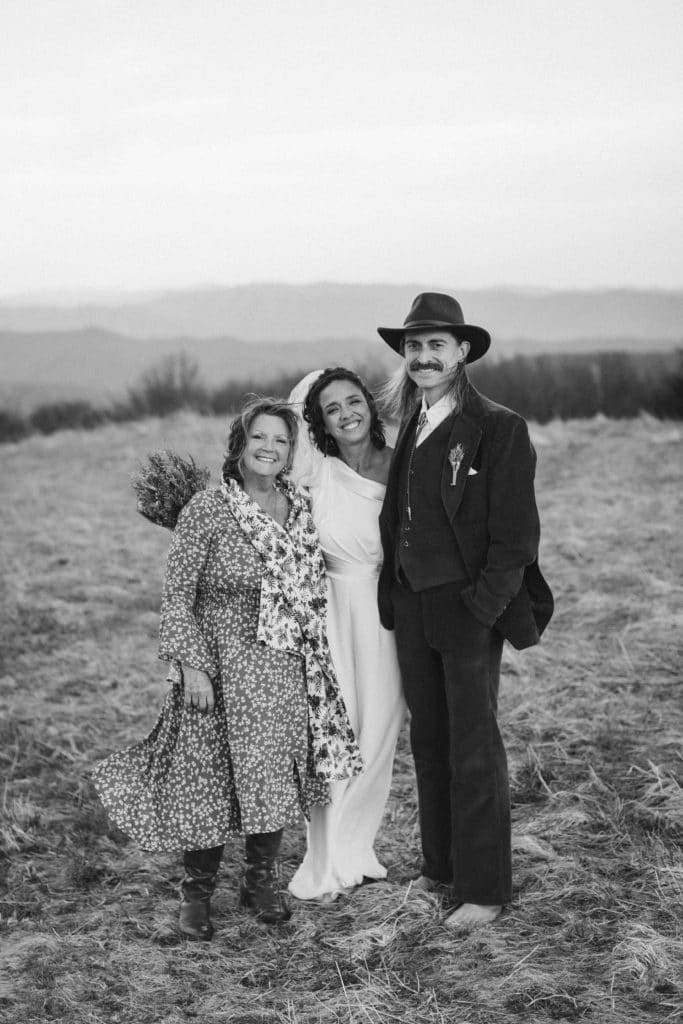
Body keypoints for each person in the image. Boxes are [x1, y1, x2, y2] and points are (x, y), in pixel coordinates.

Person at [91, 397, 362, 939]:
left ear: (291, 453)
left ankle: (260, 881)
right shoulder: (208, 509)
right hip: (219, 664)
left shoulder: (300, 506)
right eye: (258, 438)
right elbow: (177, 596)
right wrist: (192, 666)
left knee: (273, 776)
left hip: (284, 665)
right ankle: (197, 896)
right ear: (239, 446)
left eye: (280, 440)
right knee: (207, 778)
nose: (269, 448)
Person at [375, 293, 553, 929]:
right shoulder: (412, 421)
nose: (423, 357)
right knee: (430, 742)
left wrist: (482, 608)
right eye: (414, 346)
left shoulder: (499, 428)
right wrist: (395, 594)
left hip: (468, 610)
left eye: (436, 346)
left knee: (474, 748)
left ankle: (483, 890)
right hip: (412, 606)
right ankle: (440, 867)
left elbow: (515, 539)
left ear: (463, 352)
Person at [286, 368, 406, 903]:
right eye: (331, 408)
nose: (346, 414)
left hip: (388, 611)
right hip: (332, 611)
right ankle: (326, 856)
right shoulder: (318, 472)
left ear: (370, 406)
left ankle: (358, 848)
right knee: (335, 735)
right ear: (321, 423)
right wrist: (317, 384)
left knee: (378, 732)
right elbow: (289, 418)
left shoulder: (401, 461)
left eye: (353, 401)